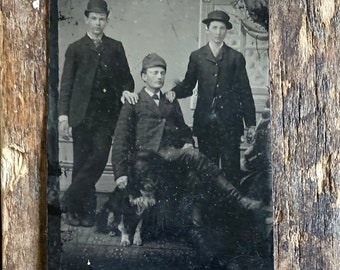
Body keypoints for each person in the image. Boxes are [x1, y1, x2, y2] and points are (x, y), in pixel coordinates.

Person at [111, 52, 263, 225]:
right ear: (144, 76)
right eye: (154, 72)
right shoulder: (134, 101)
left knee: (194, 171)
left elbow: (184, 130)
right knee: (194, 157)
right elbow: (120, 139)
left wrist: (187, 143)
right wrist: (120, 173)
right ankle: (239, 200)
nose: (159, 77)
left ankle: (196, 221)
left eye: (162, 73)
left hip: (169, 154)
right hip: (145, 158)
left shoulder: (170, 100)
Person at [58, 0, 138, 227]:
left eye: (101, 19)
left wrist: (125, 90)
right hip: (81, 115)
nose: (97, 23)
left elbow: (128, 79)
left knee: (100, 157)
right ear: (86, 19)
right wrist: (64, 115)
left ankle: (69, 199)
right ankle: (81, 212)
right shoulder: (75, 48)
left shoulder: (115, 47)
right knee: (82, 162)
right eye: (93, 18)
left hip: (106, 115)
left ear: (107, 20)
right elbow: (66, 85)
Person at [169, 10, 256, 186]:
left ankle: (231, 213)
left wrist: (251, 124)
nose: (218, 32)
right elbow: (188, 85)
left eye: (222, 28)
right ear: (207, 29)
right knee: (207, 170)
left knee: (231, 171)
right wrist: (173, 92)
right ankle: (210, 213)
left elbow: (245, 92)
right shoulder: (197, 56)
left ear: (226, 31)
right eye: (214, 28)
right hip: (205, 124)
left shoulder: (236, 58)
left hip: (230, 124)